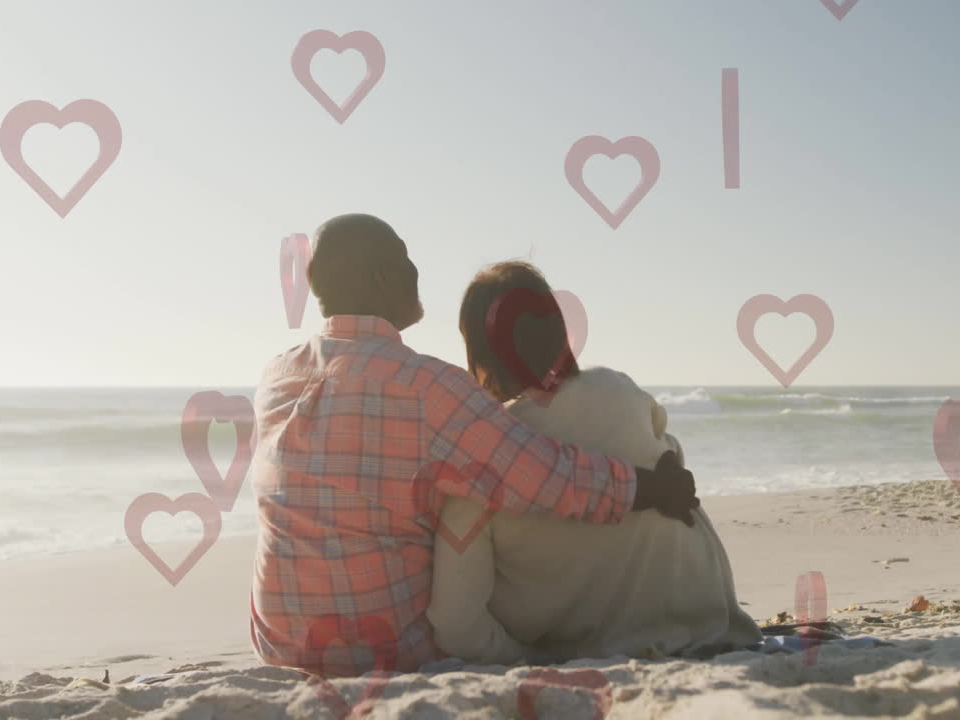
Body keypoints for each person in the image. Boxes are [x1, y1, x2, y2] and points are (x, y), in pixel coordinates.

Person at [249, 214, 700, 677]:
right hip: (387, 654)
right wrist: (651, 489)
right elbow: (543, 476)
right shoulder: (428, 387)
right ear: (382, 276)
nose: (416, 271)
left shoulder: (276, 377)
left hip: (281, 651)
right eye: (406, 258)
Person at [426, 261, 761, 664]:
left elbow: (456, 625)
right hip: (715, 630)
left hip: (593, 653)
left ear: (477, 349)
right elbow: (671, 458)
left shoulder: (484, 454)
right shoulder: (617, 390)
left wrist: (527, 658)